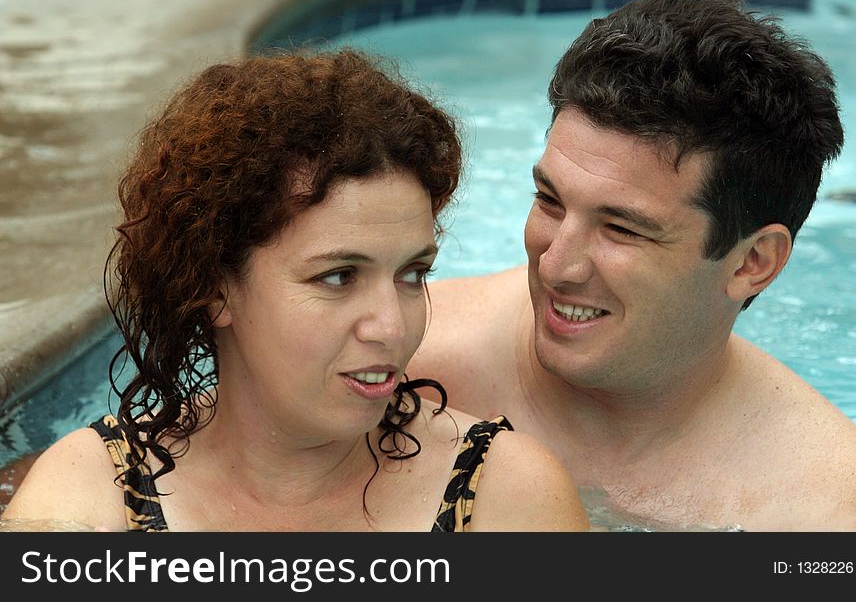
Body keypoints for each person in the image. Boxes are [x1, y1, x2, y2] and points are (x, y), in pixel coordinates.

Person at [1, 50, 589, 532]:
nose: (392, 325)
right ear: (214, 286)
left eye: (412, 274)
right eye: (337, 277)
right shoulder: (90, 502)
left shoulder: (505, 500)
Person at [408, 0, 856, 531]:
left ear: (753, 262)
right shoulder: (405, 368)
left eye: (621, 229)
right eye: (549, 201)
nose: (557, 266)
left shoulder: (824, 515)